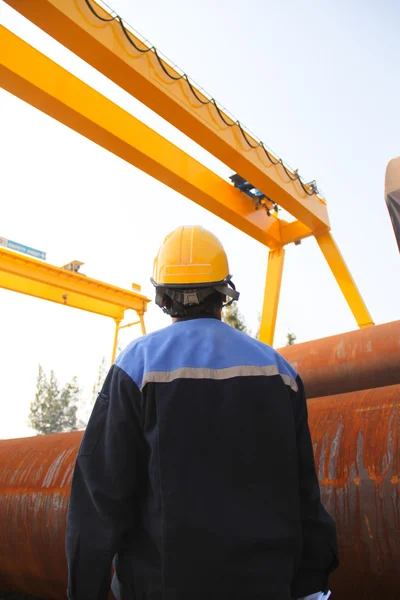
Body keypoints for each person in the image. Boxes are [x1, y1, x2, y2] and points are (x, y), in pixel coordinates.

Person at [66, 225, 338, 600]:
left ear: (163, 297)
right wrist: (312, 588)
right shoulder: (279, 372)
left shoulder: (137, 366)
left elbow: (98, 499)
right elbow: (304, 498)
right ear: (223, 293)